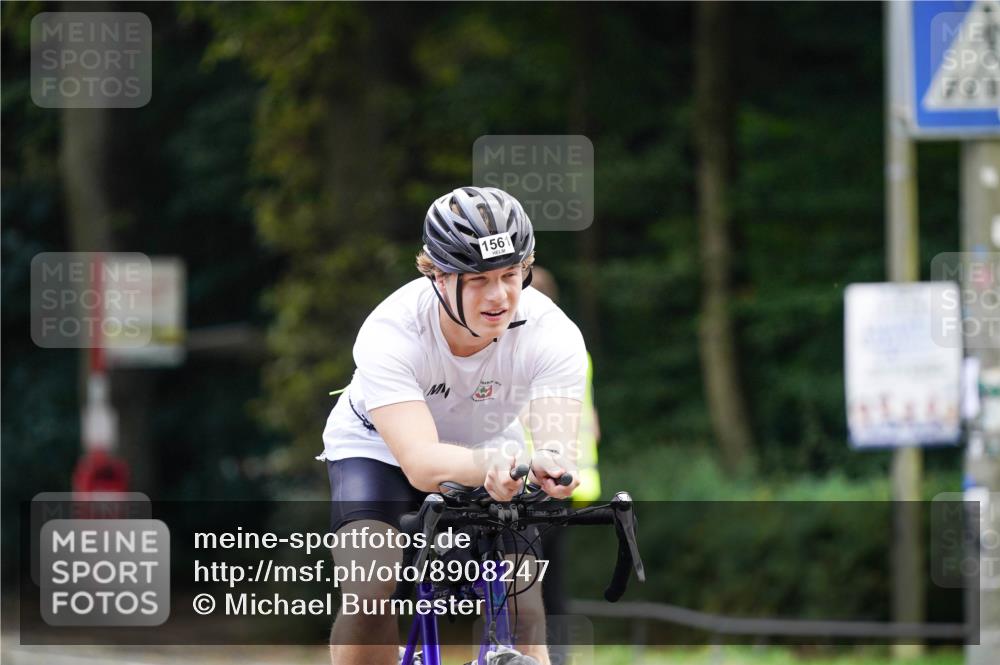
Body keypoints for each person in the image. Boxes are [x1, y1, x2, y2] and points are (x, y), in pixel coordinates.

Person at [318, 186, 588, 665]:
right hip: (377, 447)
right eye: (479, 278)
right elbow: (421, 464)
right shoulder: (392, 330)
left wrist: (551, 467)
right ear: (438, 275)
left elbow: (554, 445)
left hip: (491, 447)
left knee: (524, 605)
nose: (500, 295)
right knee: (369, 591)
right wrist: (489, 464)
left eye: (511, 275)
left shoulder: (553, 333)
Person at [521, 267, 602, 629]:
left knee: (523, 584)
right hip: (570, 481)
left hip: (530, 480)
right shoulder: (576, 351)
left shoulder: (528, 352)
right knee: (551, 584)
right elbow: (593, 424)